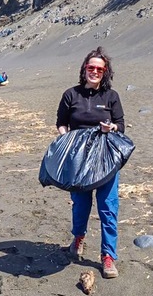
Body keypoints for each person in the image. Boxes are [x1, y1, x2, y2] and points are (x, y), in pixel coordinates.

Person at [55, 46, 125, 279]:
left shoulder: (111, 96)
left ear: (105, 72)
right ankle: (78, 238)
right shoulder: (70, 95)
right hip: (78, 159)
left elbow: (120, 125)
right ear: (84, 69)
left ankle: (108, 257)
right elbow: (62, 123)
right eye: (91, 67)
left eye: (99, 69)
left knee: (108, 207)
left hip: (105, 158)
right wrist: (65, 137)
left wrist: (111, 127)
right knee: (80, 204)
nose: (94, 71)